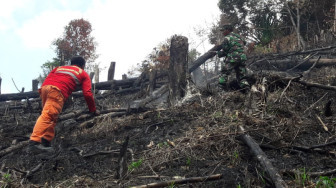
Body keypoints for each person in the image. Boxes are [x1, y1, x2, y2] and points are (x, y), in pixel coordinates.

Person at [28, 56, 99, 153]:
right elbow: (87, 93)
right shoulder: (83, 73)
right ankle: (35, 142)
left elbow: (48, 78)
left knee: (51, 116)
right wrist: (93, 109)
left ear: (71, 63)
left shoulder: (59, 68)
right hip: (57, 91)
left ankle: (45, 141)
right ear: (83, 65)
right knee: (48, 115)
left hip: (45, 89)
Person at [214, 24, 248, 89]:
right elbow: (244, 42)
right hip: (242, 58)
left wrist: (218, 53)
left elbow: (225, 51)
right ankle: (247, 89)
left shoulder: (227, 38)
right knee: (242, 76)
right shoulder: (239, 37)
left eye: (223, 30)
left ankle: (220, 89)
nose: (222, 32)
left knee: (224, 72)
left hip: (233, 58)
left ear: (227, 30)